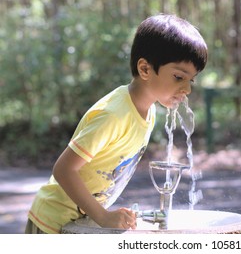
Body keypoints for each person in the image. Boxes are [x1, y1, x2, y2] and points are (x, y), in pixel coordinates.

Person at [25, 14, 208, 234]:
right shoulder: (114, 114)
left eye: (191, 80)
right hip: (51, 223)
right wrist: (103, 216)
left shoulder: (148, 111)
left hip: (80, 223)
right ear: (145, 69)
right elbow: (64, 169)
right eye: (179, 77)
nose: (187, 89)